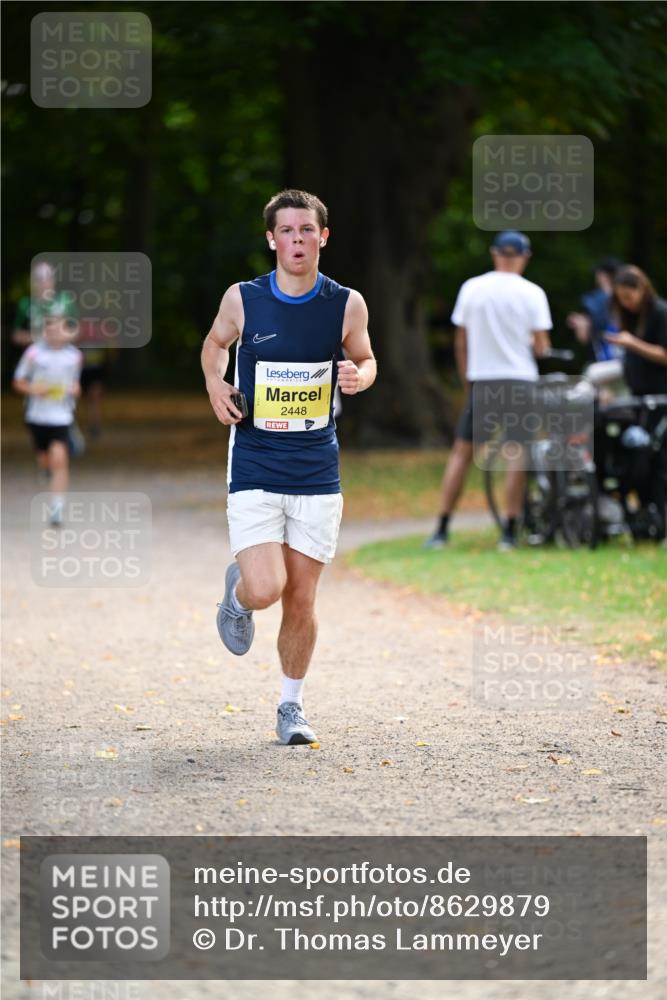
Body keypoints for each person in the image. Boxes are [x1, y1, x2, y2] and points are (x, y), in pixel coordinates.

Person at [201, 189, 376, 745]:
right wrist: (214, 384)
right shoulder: (243, 298)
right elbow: (214, 345)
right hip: (254, 461)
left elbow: (366, 357)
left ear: (322, 237)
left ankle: (291, 707)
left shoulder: (346, 303)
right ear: (271, 239)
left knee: (302, 597)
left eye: (307, 231)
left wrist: (360, 376)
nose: (297, 240)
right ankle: (238, 597)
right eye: (287, 231)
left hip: (317, 471)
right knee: (267, 587)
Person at [426, 230, 552, 551]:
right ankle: (509, 530)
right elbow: (541, 347)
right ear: (525, 257)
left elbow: (461, 342)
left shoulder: (472, 288)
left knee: (462, 452)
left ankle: (441, 527)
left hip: (483, 380)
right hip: (519, 380)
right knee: (516, 452)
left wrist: (468, 380)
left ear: (495, 253)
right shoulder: (533, 293)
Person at [605, 265, 667, 540]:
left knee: (659, 459)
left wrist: (632, 343)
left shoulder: (660, 314)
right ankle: (644, 519)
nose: (626, 303)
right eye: (621, 299)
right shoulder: (632, 318)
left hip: (660, 399)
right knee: (639, 457)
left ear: (642, 288)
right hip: (638, 398)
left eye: (629, 297)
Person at [12, 313, 83, 526]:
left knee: (59, 458)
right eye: (50, 328)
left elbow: (76, 386)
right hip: (36, 416)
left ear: (65, 330)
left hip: (61, 416)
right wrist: (34, 389)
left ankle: (57, 508)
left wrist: (75, 390)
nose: (54, 332)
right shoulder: (33, 354)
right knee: (45, 459)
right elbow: (18, 382)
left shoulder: (75, 356)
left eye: (58, 328)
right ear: (45, 331)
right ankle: (44, 467)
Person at [566, 256, 624, 362]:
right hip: (627, 362)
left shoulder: (593, 301)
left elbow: (583, 336)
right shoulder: (629, 299)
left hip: (601, 363)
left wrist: (579, 322)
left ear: (603, 275)